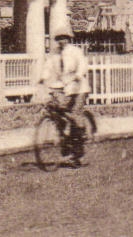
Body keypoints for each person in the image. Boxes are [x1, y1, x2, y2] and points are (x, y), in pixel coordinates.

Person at [39, 25, 90, 166]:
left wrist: (78, 75)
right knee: (58, 113)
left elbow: (82, 65)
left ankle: (77, 152)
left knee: (74, 116)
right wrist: (43, 78)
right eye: (59, 39)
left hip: (78, 88)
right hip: (64, 87)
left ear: (69, 39)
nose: (62, 41)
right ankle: (65, 144)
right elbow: (48, 67)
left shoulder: (75, 52)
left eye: (64, 38)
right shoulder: (54, 54)